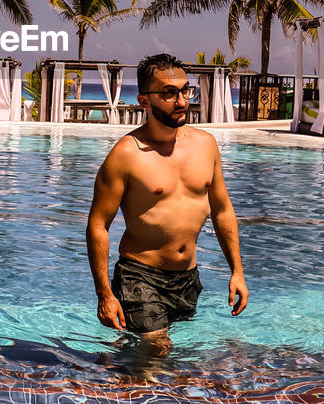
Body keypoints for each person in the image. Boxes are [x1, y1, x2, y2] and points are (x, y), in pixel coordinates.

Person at [86, 53, 248, 353]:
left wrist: (237, 271)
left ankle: (116, 382)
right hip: (140, 276)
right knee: (158, 352)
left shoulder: (206, 145)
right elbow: (98, 224)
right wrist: (104, 293)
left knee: (163, 359)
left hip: (188, 279)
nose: (182, 101)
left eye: (185, 90)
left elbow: (222, 209)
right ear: (144, 101)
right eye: (169, 93)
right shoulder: (126, 154)